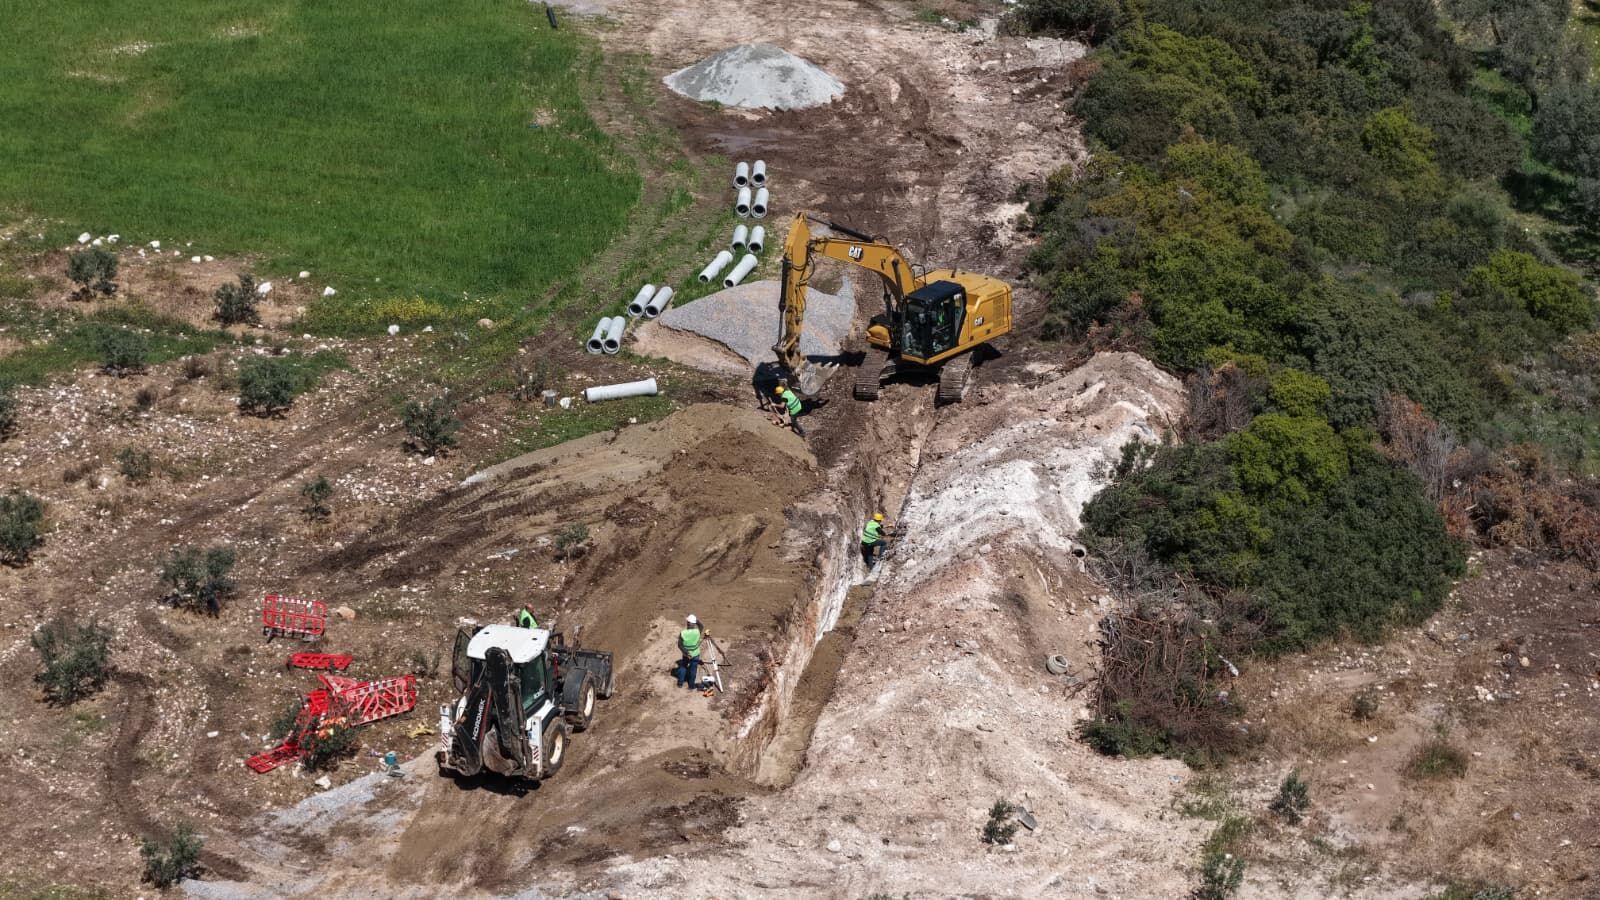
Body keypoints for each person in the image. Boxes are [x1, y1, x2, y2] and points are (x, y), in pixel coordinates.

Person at [676, 614, 707, 689]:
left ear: (687, 623)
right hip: (695, 654)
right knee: (693, 669)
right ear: (694, 623)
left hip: (686, 654)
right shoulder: (697, 632)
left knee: (683, 667)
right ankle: (691, 685)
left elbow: (679, 645)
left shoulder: (683, 633)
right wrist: (696, 620)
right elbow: (702, 626)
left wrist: (686, 652)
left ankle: (680, 683)